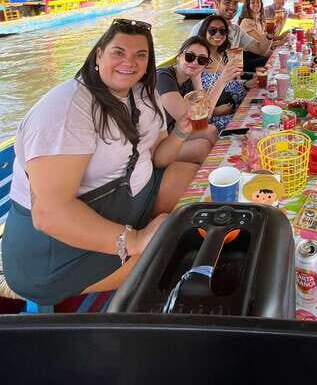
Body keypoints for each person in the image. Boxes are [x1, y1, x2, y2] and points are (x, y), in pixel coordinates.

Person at [2, 18, 199, 305]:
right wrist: (136, 240)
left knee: (190, 179)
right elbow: (50, 214)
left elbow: (157, 158)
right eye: (118, 52)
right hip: (55, 252)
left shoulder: (144, 95)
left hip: (127, 205)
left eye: (140, 55)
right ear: (98, 55)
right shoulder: (66, 110)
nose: (128, 62)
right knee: (170, 250)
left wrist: (181, 130)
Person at [156, 35, 243, 162]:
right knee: (202, 147)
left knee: (212, 130)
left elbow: (204, 118)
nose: (195, 62)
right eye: (189, 57)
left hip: (175, 132)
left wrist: (196, 78)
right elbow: (186, 117)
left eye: (202, 60)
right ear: (179, 56)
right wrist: (222, 81)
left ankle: (227, 165)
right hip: (160, 144)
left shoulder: (189, 79)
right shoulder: (163, 77)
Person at [190, 0, 274, 73]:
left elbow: (260, 49)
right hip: (208, 81)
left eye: (235, 3)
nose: (232, 7)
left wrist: (269, 35)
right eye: (227, 2)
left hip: (231, 78)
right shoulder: (201, 27)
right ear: (217, 4)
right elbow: (190, 59)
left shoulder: (236, 30)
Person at [195, 15, 247, 132]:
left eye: (222, 31)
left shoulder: (223, 55)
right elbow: (197, 103)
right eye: (212, 30)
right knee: (251, 123)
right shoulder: (199, 59)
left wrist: (246, 84)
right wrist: (215, 111)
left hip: (233, 105)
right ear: (204, 32)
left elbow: (229, 84)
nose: (218, 34)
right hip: (212, 118)